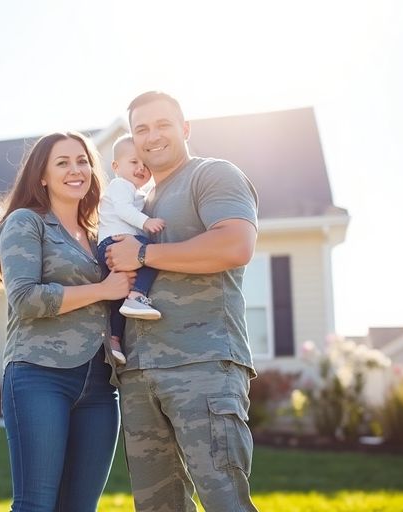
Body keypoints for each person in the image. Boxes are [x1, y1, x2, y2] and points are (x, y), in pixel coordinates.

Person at [106, 91, 260, 512]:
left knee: (224, 501)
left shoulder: (212, 175)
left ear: (185, 128)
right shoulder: (139, 202)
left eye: (162, 125)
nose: (152, 136)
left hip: (203, 365)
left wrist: (143, 254)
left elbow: (234, 244)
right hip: (138, 374)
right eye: (141, 130)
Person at [0, 131, 133, 511]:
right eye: (62, 163)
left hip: (100, 384)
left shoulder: (101, 235)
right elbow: (26, 299)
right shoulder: (26, 223)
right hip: (39, 375)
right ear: (42, 176)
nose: (75, 169)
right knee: (36, 504)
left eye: (82, 161)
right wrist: (103, 290)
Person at [97, 133, 165, 365]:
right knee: (152, 254)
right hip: (115, 243)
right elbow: (125, 211)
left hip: (115, 243)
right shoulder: (120, 185)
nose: (140, 168)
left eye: (145, 164)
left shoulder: (137, 192)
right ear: (116, 166)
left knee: (118, 298)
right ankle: (138, 296)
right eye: (133, 162)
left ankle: (114, 342)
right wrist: (146, 223)